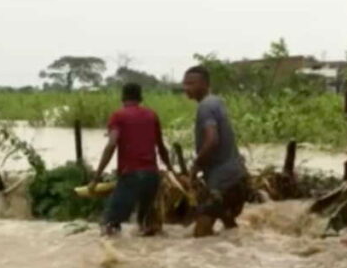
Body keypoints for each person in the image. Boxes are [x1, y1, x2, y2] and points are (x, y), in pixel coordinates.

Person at [89, 83, 174, 236]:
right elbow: (161, 147)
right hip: (151, 177)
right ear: (140, 98)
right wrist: (171, 169)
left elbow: (111, 145)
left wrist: (96, 177)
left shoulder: (118, 116)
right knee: (148, 227)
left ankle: (116, 256)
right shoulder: (152, 115)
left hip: (131, 176)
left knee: (108, 225)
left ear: (123, 97)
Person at [183, 65, 249, 237]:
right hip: (236, 175)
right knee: (228, 224)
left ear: (204, 84)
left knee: (201, 234)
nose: (186, 88)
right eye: (185, 84)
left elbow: (212, 140)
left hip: (222, 180)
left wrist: (196, 165)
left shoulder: (205, 107)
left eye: (191, 84)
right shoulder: (216, 101)